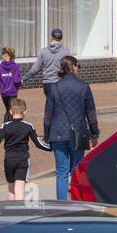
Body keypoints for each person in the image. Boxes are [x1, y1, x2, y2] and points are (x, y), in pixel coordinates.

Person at [44, 56, 99, 200]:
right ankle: (76, 201)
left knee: (61, 171)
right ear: (73, 67)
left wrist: (47, 134)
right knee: (76, 171)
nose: (78, 68)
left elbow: (48, 114)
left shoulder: (54, 87)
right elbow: (91, 113)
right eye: (77, 66)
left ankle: (61, 205)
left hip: (57, 133)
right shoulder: (83, 86)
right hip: (78, 134)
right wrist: (95, 133)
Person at [0, 98, 48, 201]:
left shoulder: (5, 126)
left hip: (9, 160)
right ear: (25, 112)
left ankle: (9, 214)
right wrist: (51, 147)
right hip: (22, 160)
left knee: (11, 190)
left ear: (10, 112)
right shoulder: (28, 126)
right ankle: (19, 212)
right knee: (19, 189)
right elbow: (38, 143)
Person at [27, 28, 68, 99]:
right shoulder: (66, 52)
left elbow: (35, 69)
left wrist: (23, 79)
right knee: (60, 105)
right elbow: (70, 68)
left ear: (51, 37)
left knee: (50, 106)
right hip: (61, 82)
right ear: (61, 38)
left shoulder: (43, 51)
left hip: (48, 83)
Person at [0, 46, 22, 122]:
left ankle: (5, 127)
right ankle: (7, 128)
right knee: (11, 111)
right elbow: (16, 80)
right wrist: (20, 83)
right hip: (12, 92)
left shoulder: (0, 67)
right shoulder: (16, 67)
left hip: (4, 92)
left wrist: (1, 88)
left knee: (8, 109)